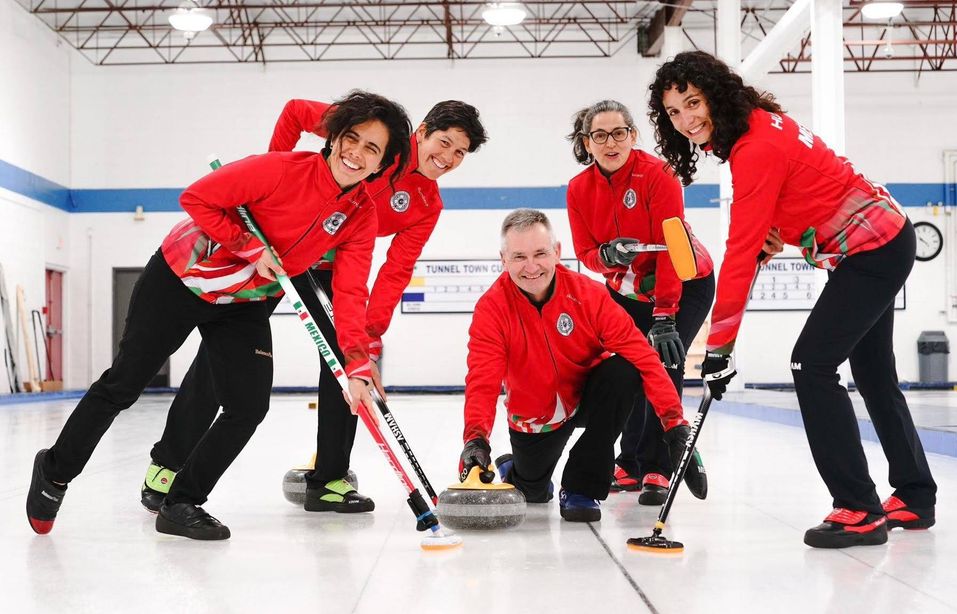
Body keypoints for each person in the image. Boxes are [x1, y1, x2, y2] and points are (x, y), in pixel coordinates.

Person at [26, 90, 413, 540]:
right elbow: (197, 198)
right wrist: (249, 245)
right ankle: (54, 471)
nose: (357, 152)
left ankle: (182, 502)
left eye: (372, 148)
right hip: (183, 276)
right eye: (352, 137)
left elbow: (348, 292)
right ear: (333, 138)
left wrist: (357, 363)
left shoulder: (360, 216)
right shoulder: (279, 168)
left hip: (244, 301)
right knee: (124, 385)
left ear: (382, 164)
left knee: (248, 405)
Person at [139, 99, 488, 515]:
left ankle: (328, 480)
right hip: (279, 249)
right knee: (221, 352)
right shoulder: (374, 137)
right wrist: (274, 175)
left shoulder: (427, 204)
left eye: (459, 154)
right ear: (424, 130)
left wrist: (367, 340)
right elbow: (295, 112)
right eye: (444, 143)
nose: (446, 158)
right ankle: (168, 463)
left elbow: (396, 271)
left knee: (344, 360)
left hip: (333, 266)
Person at [648, 50, 937, 548]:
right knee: (872, 373)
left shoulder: (753, 148)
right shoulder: (761, 125)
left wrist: (719, 348)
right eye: (674, 112)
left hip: (873, 247)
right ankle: (914, 495)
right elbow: (808, 186)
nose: (686, 119)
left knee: (811, 364)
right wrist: (779, 229)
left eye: (693, 102)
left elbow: (739, 252)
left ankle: (858, 510)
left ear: (715, 95)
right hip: (882, 236)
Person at [457, 208, 697, 523]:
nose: (531, 267)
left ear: (557, 252)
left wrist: (674, 425)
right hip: (536, 412)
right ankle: (513, 468)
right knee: (532, 493)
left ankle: (580, 487)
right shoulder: (492, 309)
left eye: (540, 253)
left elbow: (642, 355)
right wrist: (476, 438)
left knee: (625, 371)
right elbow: (483, 379)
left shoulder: (588, 296)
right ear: (503, 259)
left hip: (589, 393)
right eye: (518, 257)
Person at [564, 99, 715, 506]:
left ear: (633, 135)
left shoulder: (659, 175)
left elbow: (670, 248)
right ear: (587, 143)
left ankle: (657, 467)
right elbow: (586, 251)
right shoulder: (579, 189)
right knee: (625, 368)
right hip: (627, 289)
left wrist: (664, 316)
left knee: (662, 362)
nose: (610, 142)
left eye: (619, 133)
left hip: (683, 282)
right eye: (600, 135)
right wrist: (606, 257)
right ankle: (628, 463)